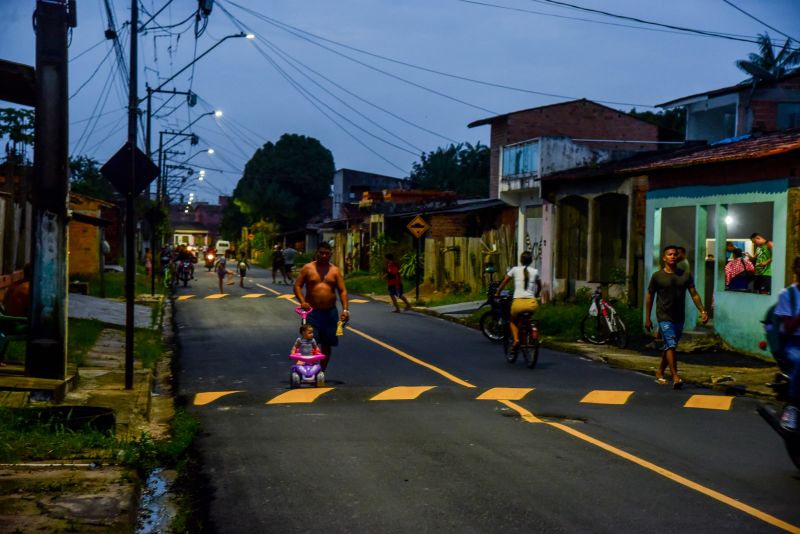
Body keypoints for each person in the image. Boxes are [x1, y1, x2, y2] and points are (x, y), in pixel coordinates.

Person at [645, 245, 709, 389]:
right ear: (664, 258)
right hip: (663, 315)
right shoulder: (657, 276)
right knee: (671, 344)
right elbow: (650, 296)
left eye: (675, 254)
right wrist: (648, 318)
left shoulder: (685, 275)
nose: (673, 256)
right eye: (669, 254)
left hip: (679, 316)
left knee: (669, 345)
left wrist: (702, 311)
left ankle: (660, 371)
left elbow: (694, 293)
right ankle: (675, 377)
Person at [293, 242, 349, 371]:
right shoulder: (308, 268)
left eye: (327, 253)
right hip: (312, 313)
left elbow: (342, 291)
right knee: (310, 341)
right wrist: (302, 302)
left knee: (327, 343)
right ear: (316, 253)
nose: (324, 255)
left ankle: (321, 372)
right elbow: (297, 286)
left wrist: (345, 309)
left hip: (330, 313)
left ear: (331, 255)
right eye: (321, 253)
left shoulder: (335, 270)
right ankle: (308, 369)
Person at [495, 251, 541, 354]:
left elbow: (504, 282)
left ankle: (516, 340)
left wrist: (498, 292)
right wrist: (536, 295)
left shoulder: (515, 270)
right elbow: (539, 286)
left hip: (518, 304)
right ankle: (530, 333)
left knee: (512, 321)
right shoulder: (535, 271)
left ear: (520, 260)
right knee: (528, 318)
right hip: (532, 303)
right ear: (531, 260)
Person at [773, 255, 800, 431]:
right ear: (795, 271)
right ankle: (793, 406)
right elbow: (788, 327)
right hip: (794, 342)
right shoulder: (788, 295)